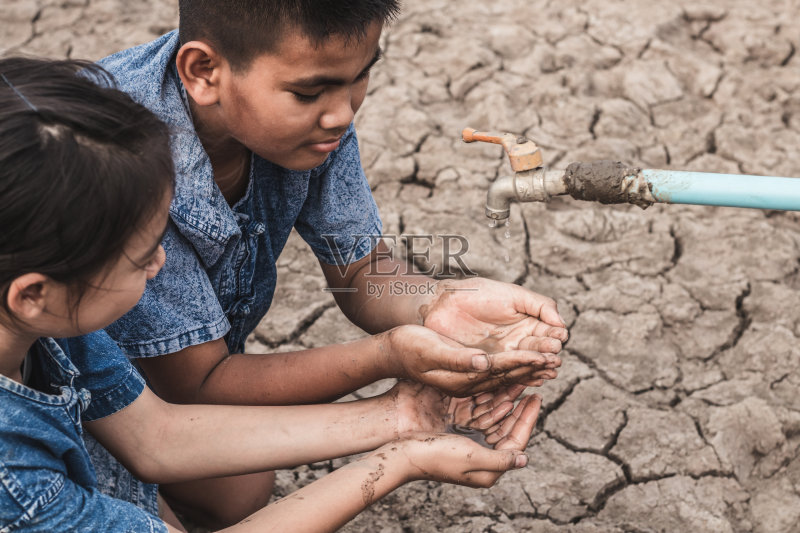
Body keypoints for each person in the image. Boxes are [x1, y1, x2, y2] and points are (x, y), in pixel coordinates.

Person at [0, 56, 546, 533]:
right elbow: (198, 392)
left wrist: (402, 411)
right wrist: (398, 461)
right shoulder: (15, 484)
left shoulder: (47, 316)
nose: (159, 261)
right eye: (142, 254)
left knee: (235, 488)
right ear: (33, 295)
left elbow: (155, 434)